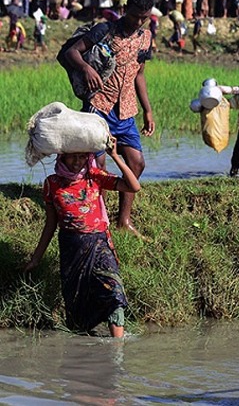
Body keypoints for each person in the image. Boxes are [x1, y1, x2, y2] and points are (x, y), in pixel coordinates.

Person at [24, 138, 140, 338]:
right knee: (77, 308)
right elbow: (50, 224)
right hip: (71, 249)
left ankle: (117, 348)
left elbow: (133, 186)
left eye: (81, 157)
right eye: (72, 157)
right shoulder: (52, 183)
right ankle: (85, 347)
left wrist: (114, 156)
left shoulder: (95, 176)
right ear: (63, 157)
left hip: (99, 244)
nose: (77, 162)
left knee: (114, 291)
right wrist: (36, 258)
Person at [65, 0, 155, 235]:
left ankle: (123, 220)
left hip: (126, 110)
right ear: (125, 9)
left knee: (137, 163)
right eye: (135, 16)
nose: (139, 22)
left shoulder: (145, 37)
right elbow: (71, 52)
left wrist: (148, 110)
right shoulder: (105, 31)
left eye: (144, 17)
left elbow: (140, 74)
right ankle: (98, 218)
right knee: (99, 166)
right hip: (99, 106)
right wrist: (85, 68)